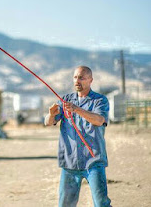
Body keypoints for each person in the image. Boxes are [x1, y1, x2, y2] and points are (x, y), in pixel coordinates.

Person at [44, 66, 111, 207]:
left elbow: (99, 120)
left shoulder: (100, 100)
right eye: (75, 77)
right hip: (70, 163)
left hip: (93, 162)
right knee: (65, 205)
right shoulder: (65, 100)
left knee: (101, 204)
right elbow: (48, 122)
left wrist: (76, 109)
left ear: (90, 80)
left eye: (81, 77)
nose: (77, 80)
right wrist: (51, 114)